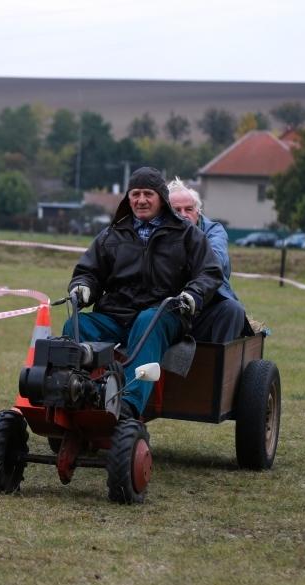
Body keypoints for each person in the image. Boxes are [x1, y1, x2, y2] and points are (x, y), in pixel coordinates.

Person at [64, 167, 223, 421]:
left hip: (164, 313)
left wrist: (193, 294)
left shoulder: (187, 234)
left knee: (147, 321)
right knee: (76, 325)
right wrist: (83, 286)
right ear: (128, 198)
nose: (141, 200)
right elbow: (89, 272)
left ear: (161, 198)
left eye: (148, 194)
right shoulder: (111, 234)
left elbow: (210, 272)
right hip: (115, 316)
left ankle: (128, 406)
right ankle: (75, 396)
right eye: (135, 194)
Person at [167, 178, 251, 343]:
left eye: (188, 209)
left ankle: (217, 358)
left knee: (233, 310)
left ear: (197, 212)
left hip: (206, 306)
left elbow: (214, 262)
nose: (183, 215)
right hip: (168, 308)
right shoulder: (156, 232)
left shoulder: (214, 231)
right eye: (176, 210)